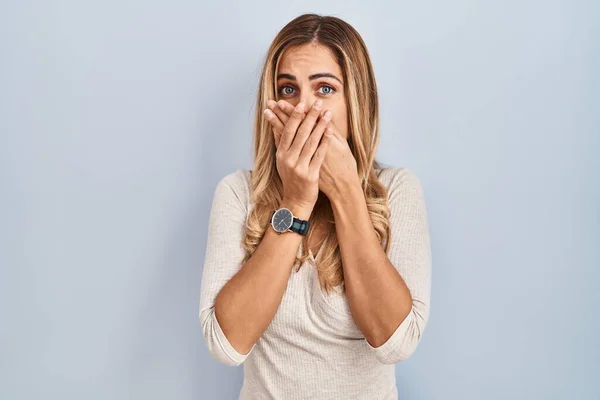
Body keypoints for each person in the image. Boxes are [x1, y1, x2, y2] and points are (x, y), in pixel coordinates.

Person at [199, 13, 432, 400]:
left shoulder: (398, 191)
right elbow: (227, 345)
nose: (304, 107)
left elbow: (396, 342)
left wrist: (345, 194)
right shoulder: (238, 194)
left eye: (324, 89)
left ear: (355, 101)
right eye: (288, 90)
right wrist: (296, 203)